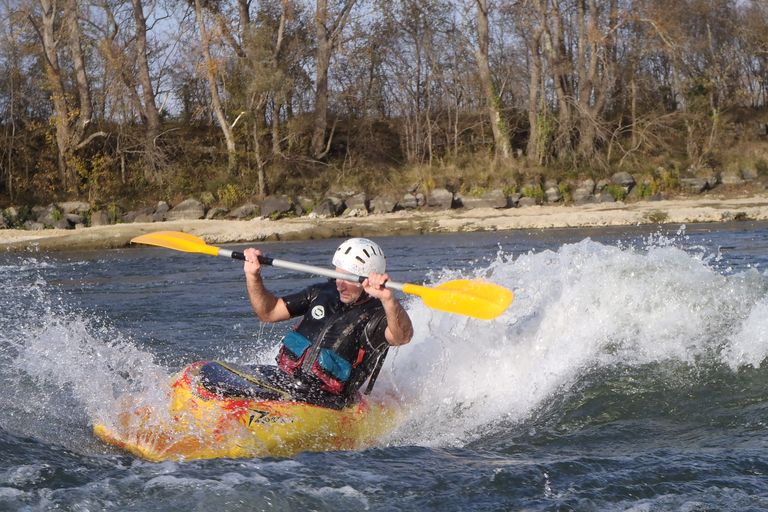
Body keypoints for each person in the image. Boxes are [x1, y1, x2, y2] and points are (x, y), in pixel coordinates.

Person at [237, 237, 414, 409]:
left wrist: (388, 299)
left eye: (348, 279)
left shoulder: (379, 314)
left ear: (366, 280)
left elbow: (402, 337)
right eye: (336, 276)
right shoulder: (322, 292)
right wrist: (253, 275)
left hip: (326, 403)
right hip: (285, 381)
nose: (339, 285)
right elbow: (269, 312)